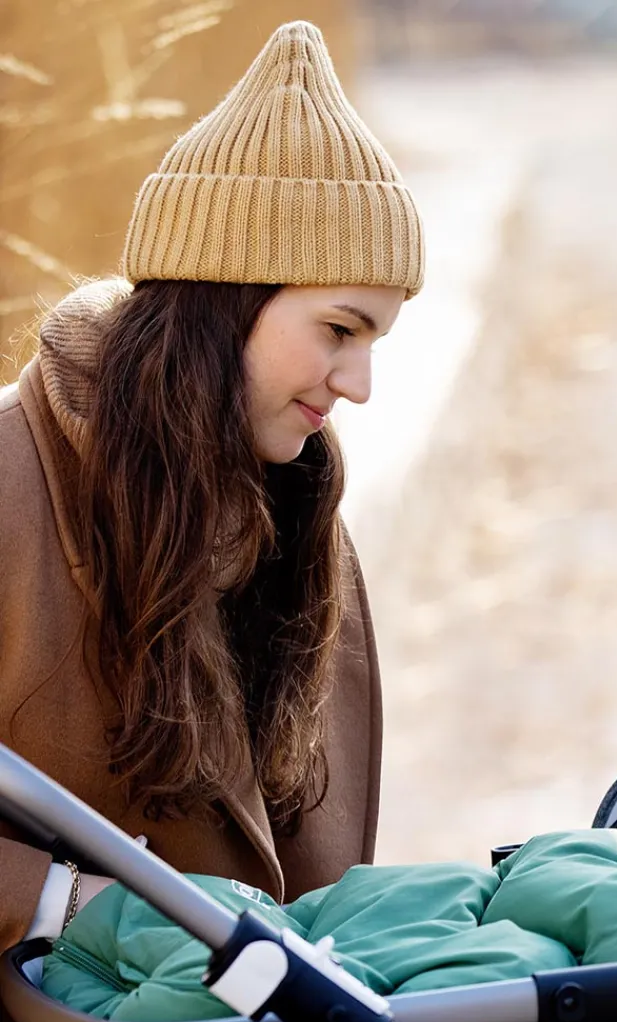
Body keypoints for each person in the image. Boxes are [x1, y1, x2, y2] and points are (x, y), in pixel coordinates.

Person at [0, 20, 423, 954]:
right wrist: (68, 907)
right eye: (339, 330)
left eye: (373, 344)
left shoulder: (303, 518)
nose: (357, 386)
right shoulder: (8, 484)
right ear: (227, 298)